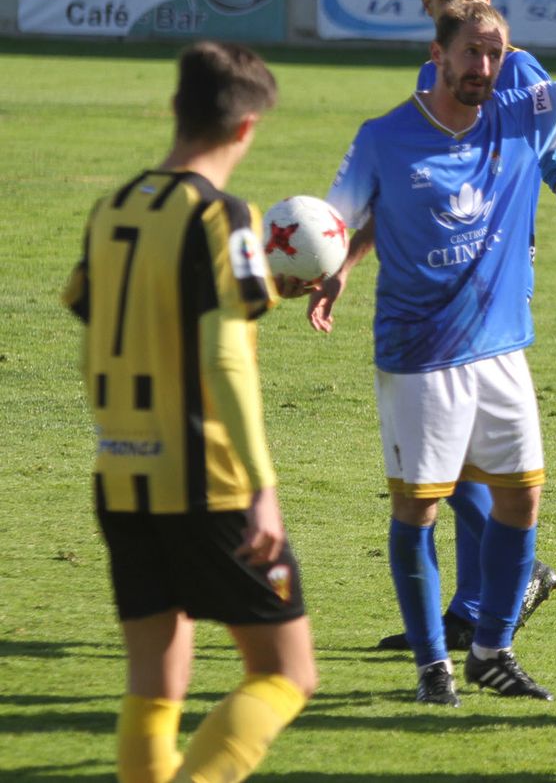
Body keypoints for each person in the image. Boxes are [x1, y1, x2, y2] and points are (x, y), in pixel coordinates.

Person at [311, 0, 556, 708]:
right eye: (473, 53)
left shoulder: (519, 111)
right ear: (437, 56)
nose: (487, 65)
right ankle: (433, 666)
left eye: (496, 52)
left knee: (522, 499)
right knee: (419, 510)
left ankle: (491, 648)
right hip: (420, 358)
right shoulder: (385, 136)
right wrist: (331, 267)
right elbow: (338, 222)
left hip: (502, 352)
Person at [62, 42, 317, 783]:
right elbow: (226, 358)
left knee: (155, 677)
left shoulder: (110, 208)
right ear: (247, 130)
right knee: (286, 672)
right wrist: (262, 486)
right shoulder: (222, 213)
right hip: (207, 483)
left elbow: (106, 327)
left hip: (120, 475)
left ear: (175, 108)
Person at [371, 0, 556, 652]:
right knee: (449, 456)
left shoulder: (512, 68)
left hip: (491, 288)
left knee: (457, 453)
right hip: (438, 283)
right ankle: (472, 602)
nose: (463, 0)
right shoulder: (437, 69)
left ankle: (507, 581)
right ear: (429, 5)